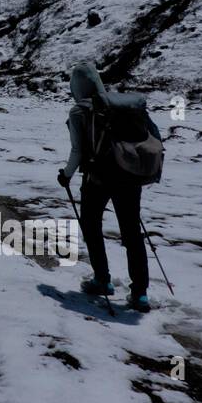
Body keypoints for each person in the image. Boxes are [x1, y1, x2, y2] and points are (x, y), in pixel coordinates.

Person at [57, 62, 155, 312]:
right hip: (130, 175)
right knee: (132, 233)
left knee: (91, 226)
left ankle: (102, 279)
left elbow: (77, 150)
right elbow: (152, 134)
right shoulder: (122, 106)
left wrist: (66, 175)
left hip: (97, 179)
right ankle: (140, 293)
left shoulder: (79, 111)